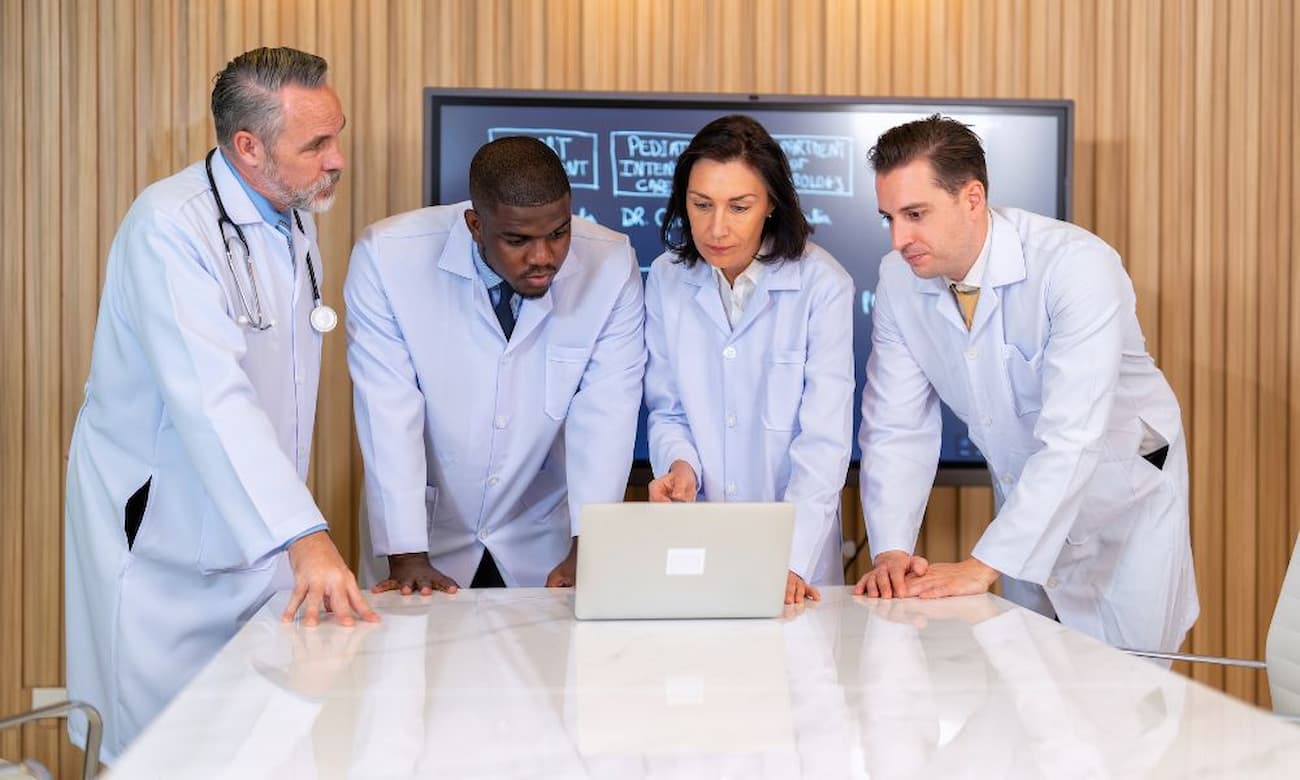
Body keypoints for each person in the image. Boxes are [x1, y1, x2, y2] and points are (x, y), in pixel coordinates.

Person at [65, 47, 376, 763]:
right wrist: (304, 534)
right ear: (249, 146)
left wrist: (290, 533)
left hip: (256, 536)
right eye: (317, 144)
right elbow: (212, 397)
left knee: (249, 747)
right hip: (163, 541)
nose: (338, 160)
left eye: (338, 136)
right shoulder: (169, 226)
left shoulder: (290, 217)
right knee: (156, 751)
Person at [854, 114, 1198, 653]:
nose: (900, 238)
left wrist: (980, 565)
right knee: (1029, 696)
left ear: (972, 198)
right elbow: (895, 428)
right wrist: (892, 551)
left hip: (1121, 501)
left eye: (916, 214)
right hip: (1024, 501)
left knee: (1127, 703)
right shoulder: (899, 281)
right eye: (889, 218)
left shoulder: (1076, 267)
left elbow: (1073, 437)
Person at [346, 136, 645, 593]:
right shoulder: (388, 256)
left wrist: (592, 546)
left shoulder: (610, 263)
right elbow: (387, 409)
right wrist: (406, 553)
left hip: (542, 539)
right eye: (518, 240)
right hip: (426, 534)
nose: (543, 257)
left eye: (559, 233)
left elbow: (607, 414)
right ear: (475, 225)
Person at [643, 114, 855, 604]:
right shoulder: (667, 278)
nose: (717, 228)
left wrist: (789, 561)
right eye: (701, 205)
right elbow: (669, 408)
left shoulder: (822, 285)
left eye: (739, 207)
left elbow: (823, 440)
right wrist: (680, 466)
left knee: (793, 675)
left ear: (771, 204)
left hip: (795, 560)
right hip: (699, 539)